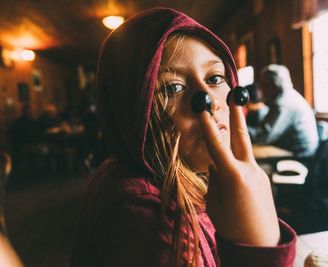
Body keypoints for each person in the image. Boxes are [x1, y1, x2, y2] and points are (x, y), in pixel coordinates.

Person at [71, 8, 296, 266]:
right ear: (132, 111)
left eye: (214, 78)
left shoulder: (195, 180)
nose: (207, 100)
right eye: (173, 87)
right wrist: (257, 247)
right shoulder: (139, 215)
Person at [248, 64, 319, 158]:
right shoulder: (288, 96)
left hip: (300, 152)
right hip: (295, 147)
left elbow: (263, 138)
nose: (260, 88)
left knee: (248, 153)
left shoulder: (283, 104)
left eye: (263, 84)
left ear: (274, 86)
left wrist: (238, 127)